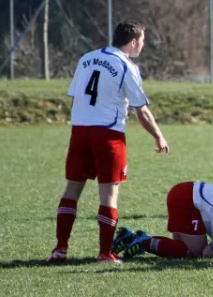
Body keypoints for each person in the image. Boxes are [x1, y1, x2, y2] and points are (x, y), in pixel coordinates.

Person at [47, 21, 169, 264]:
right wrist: (158, 135)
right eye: (142, 41)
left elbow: (76, 97)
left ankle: (60, 249)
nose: (142, 46)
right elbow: (141, 112)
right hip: (109, 135)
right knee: (109, 194)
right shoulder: (127, 66)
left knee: (72, 189)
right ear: (133, 41)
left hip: (80, 131)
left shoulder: (86, 59)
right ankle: (105, 253)